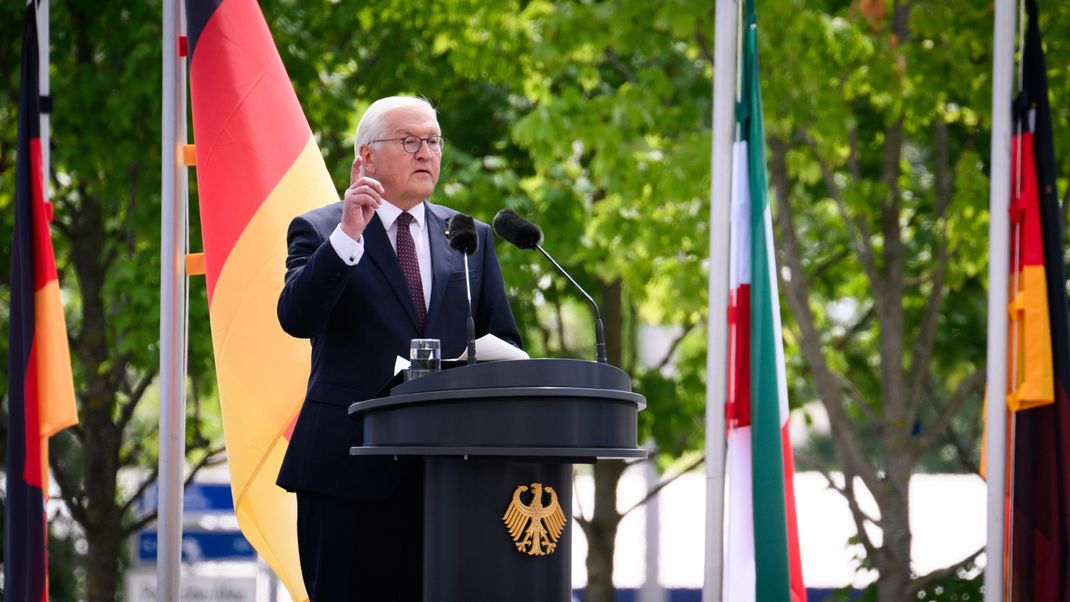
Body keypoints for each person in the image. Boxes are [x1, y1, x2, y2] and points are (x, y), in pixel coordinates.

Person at [276, 96, 522, 601]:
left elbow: (507, 344)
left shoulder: (467, 237)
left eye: (433, 141)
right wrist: (349, 235)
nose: (425, 153)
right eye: (410, 141)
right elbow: (296, 318)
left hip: (449, 479)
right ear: (365, 157)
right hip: (347, 473)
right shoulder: (323, 229)